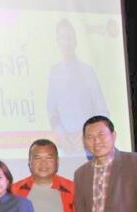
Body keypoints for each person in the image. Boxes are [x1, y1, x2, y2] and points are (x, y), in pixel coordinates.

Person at [47, 18, 109, 155]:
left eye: (69, 38)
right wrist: (62, 135)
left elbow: (102, 110)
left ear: (75, 41)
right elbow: (52, 112)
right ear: (58, 41)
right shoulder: (54, 73)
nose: (66, 43)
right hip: (66, 148)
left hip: (90, 148)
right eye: (62, 38)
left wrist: (86, 135)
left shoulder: (87, 71)